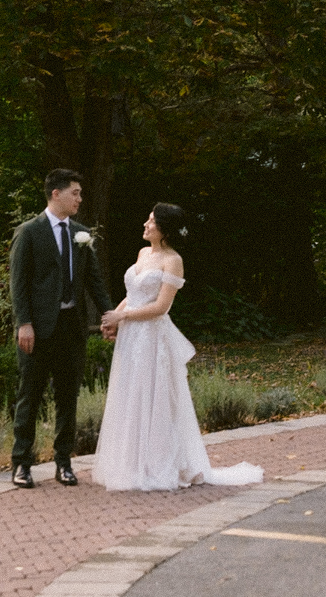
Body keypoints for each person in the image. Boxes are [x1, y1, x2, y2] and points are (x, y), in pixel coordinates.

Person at [93, 202, 264, 491]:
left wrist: (123, 316)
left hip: (151, 337)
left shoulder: (173, 260)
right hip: (131, 336)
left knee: (153, 396)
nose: (145, 225)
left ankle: (159, 464)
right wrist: (114, 319)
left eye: (151, 221)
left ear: (165, 229)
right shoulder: (143, 253)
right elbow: (133, 294)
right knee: (130, 393)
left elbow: (161, 307)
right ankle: (131, 463)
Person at [8, 169, 113, 488]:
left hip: (72, 327)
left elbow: (93, 278)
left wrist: (109, 313)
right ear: (56, 194)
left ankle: (63, 463)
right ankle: (21, 464)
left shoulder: (81, 233)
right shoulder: (29, 232)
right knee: (31, 394)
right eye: (76, 193)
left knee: (68, 396)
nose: (80, 199)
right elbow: (18, 282)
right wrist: (23, 323)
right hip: (37, 329)